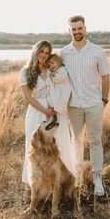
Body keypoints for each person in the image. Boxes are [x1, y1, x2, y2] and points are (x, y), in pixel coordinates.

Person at [59, 15, 110, 196]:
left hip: (93, 104)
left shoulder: (97, 51)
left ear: (85, 28)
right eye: (73, 29)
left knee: (96, 141)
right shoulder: (63, 53)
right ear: (69, 31)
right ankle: (79, 176)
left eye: (79, 28)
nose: (77, 32)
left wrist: (104, 99)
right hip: (73, 106)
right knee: (76, 141)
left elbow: (105, 75)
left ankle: (97, 178)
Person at [19, 41, 75, 189]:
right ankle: (34, 186)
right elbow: (28, 97)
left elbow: (63, 84)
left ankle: (60, 184)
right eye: (41, 52)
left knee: (60, 144)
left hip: (55, 112)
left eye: (47, 52)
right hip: (37, 113)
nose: (44, 55)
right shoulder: (25, 72)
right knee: (35, 148)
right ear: (35, 51)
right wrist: (45, 111)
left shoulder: (52, 69)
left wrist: (58, 105)